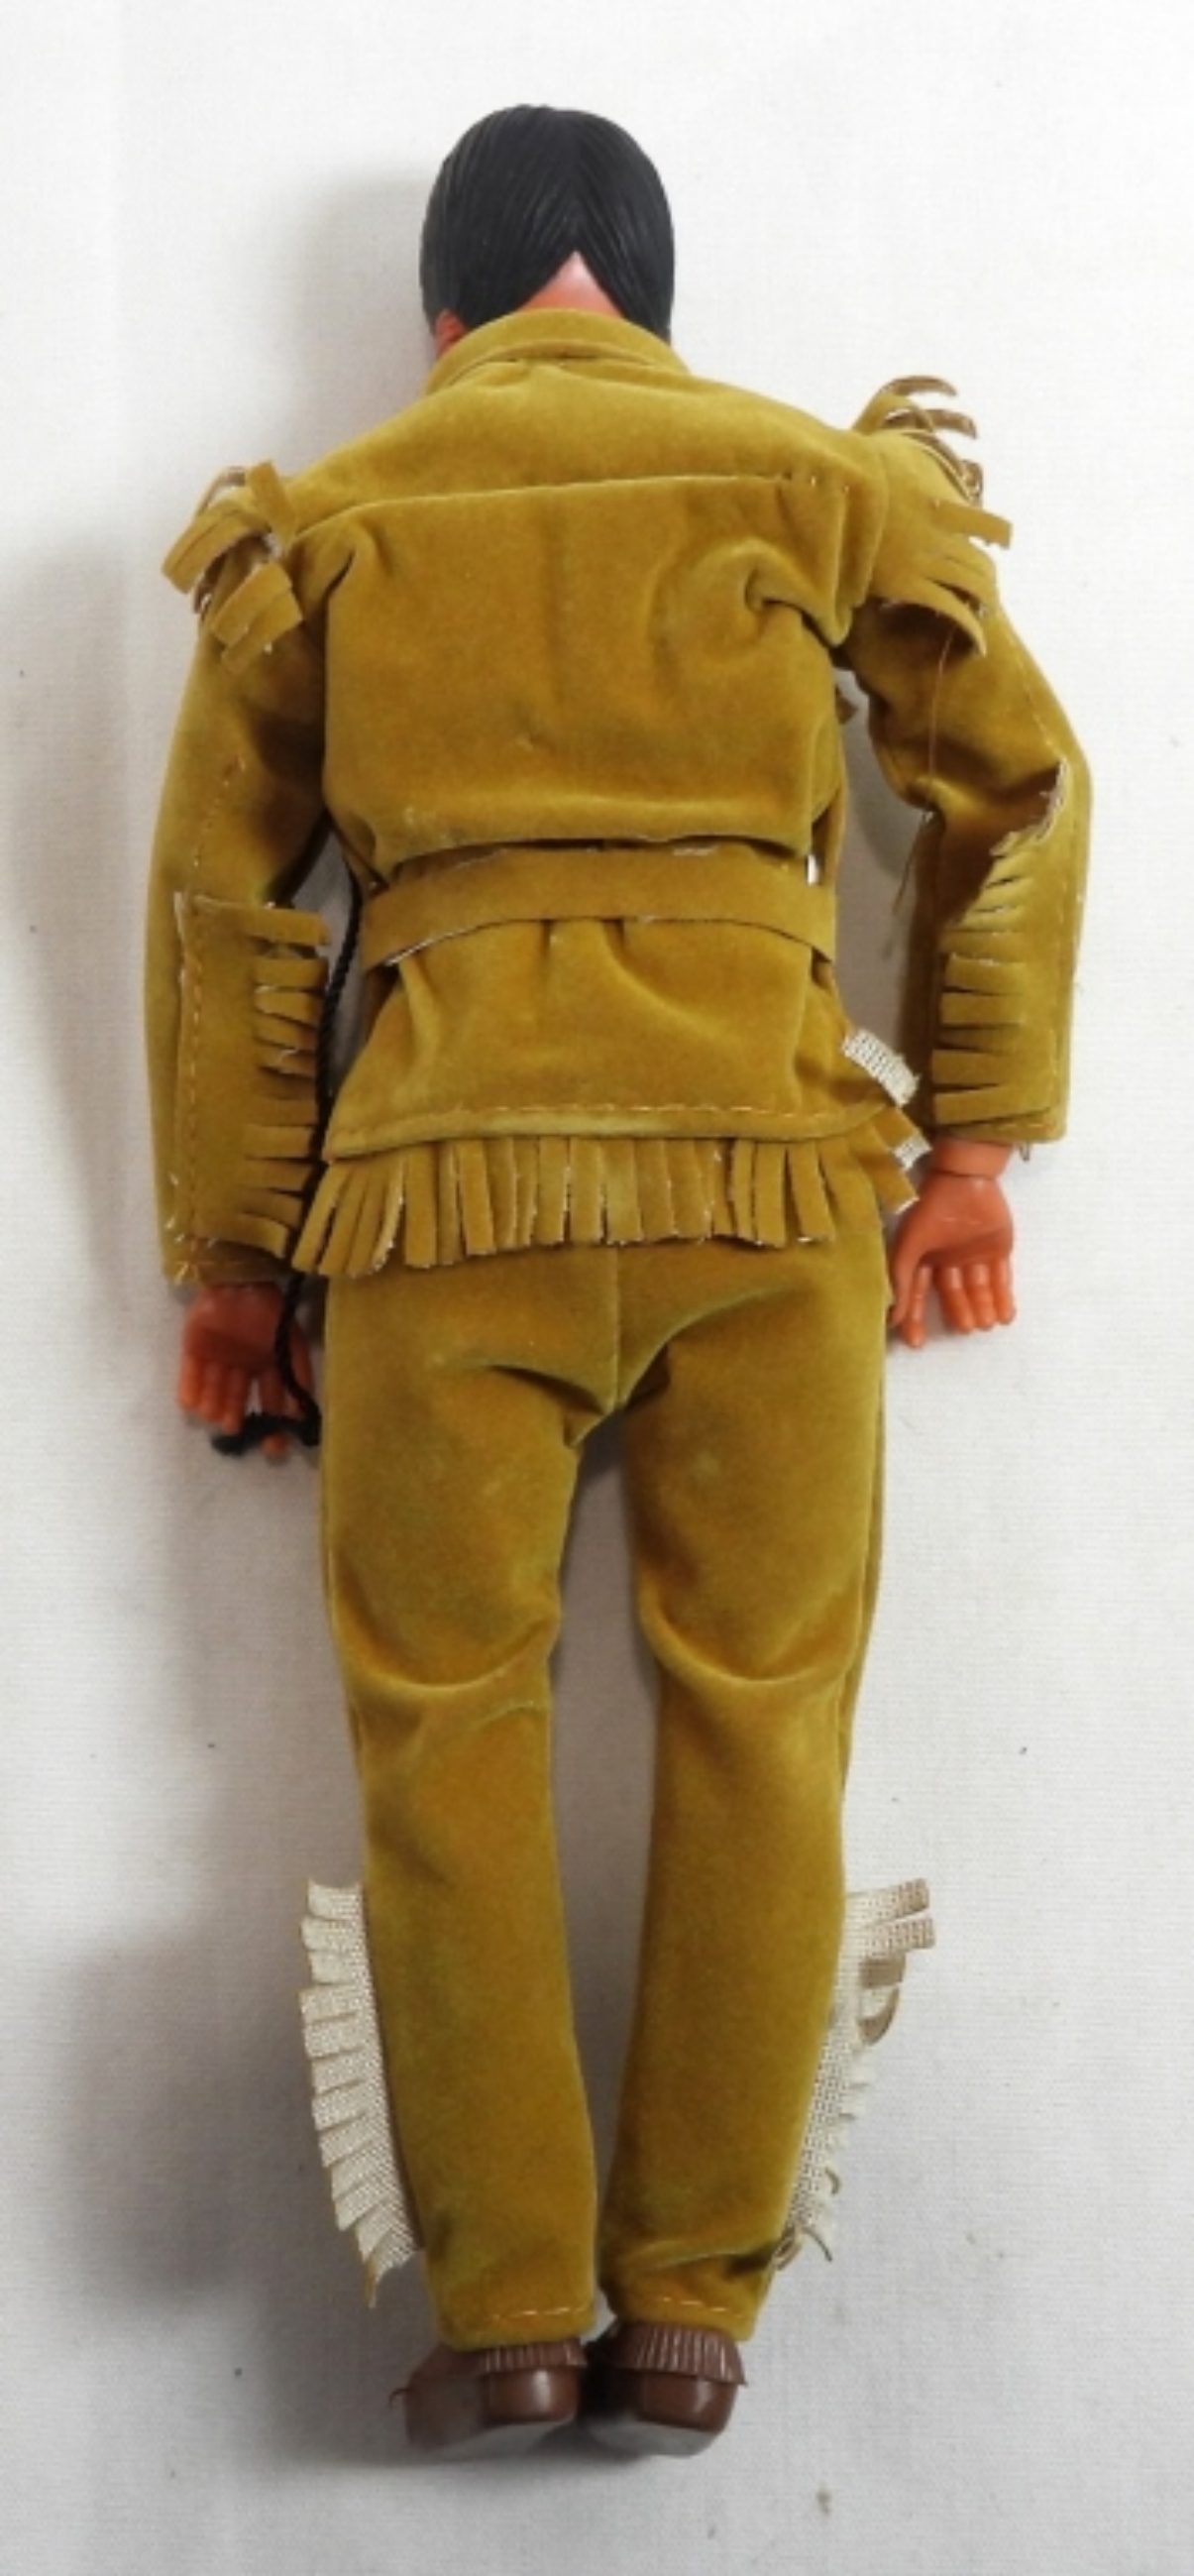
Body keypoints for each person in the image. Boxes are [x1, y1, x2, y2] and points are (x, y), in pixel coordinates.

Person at [146, 105, 1089, 2457]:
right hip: (770, 1195)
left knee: (445, 1730)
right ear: (652, 300)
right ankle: (689, 2303)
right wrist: (972, 1146)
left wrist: (236, 1264)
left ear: (440, 314)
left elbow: (229, 911)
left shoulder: (333, 522)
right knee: (763, 1715)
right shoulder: (818, 487)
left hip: (434, 1208)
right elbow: (1017, 787)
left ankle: (502, 2308)